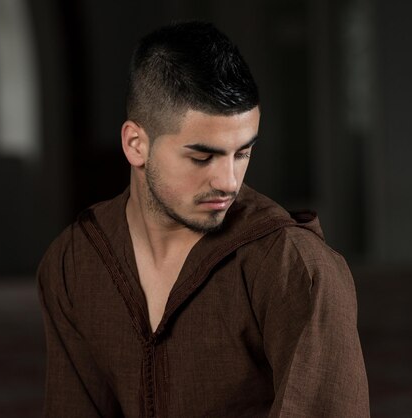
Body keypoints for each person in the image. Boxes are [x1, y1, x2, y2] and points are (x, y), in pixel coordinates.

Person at [37, 21, 369, 417]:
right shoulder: (75, 261)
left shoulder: (293, 266)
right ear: (135, 144)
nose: (228, 181)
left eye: (242, 153)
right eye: (202, 157)